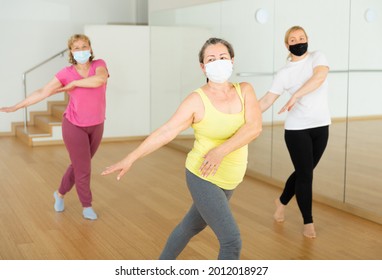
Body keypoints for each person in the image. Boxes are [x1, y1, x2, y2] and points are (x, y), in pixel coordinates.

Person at [102, 37, 262, 259]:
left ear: (232, 60)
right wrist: (130, 158)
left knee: (191, 226)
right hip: (203, 175)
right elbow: (166, 132)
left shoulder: (245, 90)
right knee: (231, 240)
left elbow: (254, 127)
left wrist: (220, 151)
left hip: (229, 178)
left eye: (223, 57)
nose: (218, 62)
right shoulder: (197, 100)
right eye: (211, 59)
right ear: (203, 66)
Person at [0, 34, 109, 220]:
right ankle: (86, 205)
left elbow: (100, 80)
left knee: (78, 165)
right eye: (76, 48)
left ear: (90, 49)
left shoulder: (99, 65)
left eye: (84, 46)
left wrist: (75, 84)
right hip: (74, 125)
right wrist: (17, 107)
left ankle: (59, 194)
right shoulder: (66, 73)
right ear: (71, 52)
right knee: (84, 168)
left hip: (97, 125)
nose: (81, 50)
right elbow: (43, 91)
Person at [259, 26, 331, 238]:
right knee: (306, 175)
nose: (298, 41)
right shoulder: (283, 73)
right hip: (296, 129)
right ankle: (308, 221)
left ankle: (281, 201)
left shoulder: (317, 57)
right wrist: (243, 114)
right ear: (287, 45)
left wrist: (295, 96)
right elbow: (266, 101)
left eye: (302, 38)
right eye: (293, 39)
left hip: (321, 126)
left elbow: (319, 78)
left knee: (303, 171)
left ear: (307, 39)